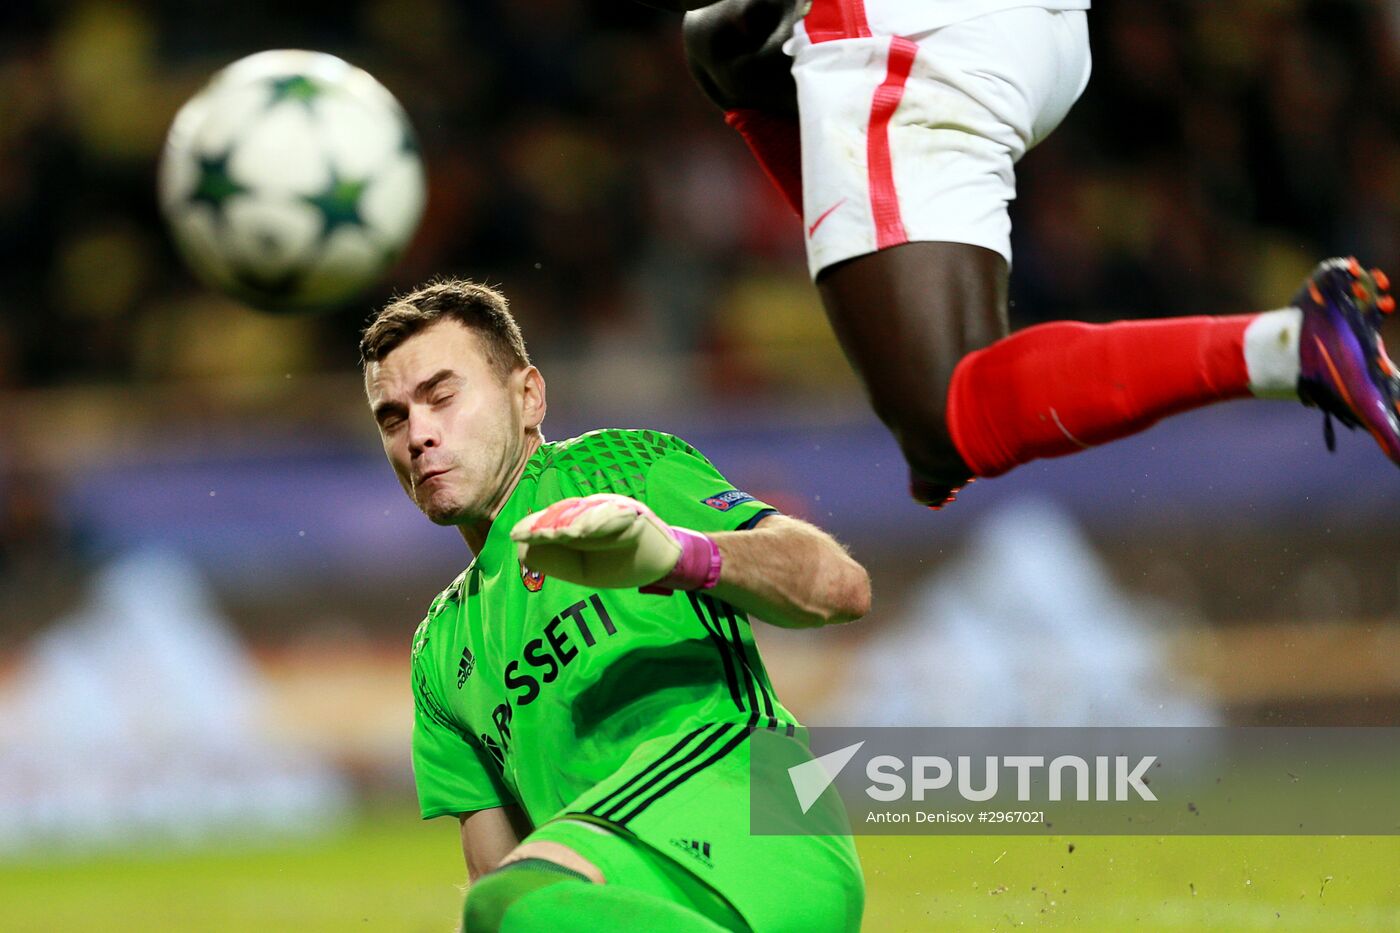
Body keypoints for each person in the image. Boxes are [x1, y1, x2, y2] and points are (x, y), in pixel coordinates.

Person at [671, 0, 1400, 506]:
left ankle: (1291, 349)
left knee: (944, 417)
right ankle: (920, 366)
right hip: (1042, 35)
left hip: (917, 27)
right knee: (723, 43)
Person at [360, 278, 869, 932]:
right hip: (645, 883)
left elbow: (841, 586)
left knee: (505, 902)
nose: (419, 435)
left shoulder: (619, 472)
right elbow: (498, 876)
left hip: (761, 820)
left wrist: (680, 555)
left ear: (528, 396)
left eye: (442, 396)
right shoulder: (439, 651)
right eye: (394, 417)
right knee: (498, 912)